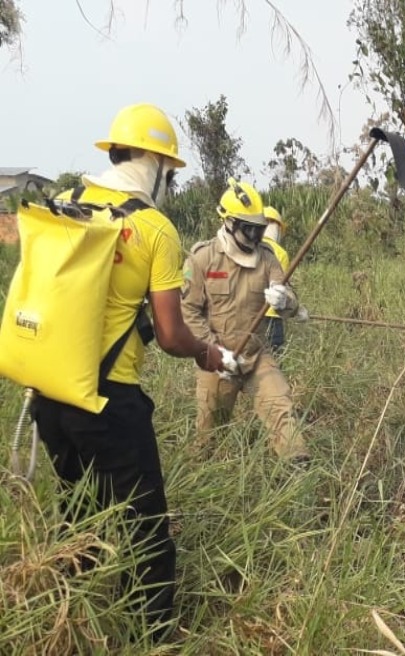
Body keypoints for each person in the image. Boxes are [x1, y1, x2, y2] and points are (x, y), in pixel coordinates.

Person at [30, 103, 232, 643]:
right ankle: (152, 637)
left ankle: (59, 619)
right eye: (170, 170)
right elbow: (170, 334)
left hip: (47, 391)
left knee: (77, 514)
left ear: (115, 153)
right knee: (145, 529)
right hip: (109, 400)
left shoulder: (67, 202)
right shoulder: (152, 228)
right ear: (158, 166)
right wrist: (205, 352)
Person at [180, 180, 311, 465]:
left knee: (283, 413)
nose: (254, 236)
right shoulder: (203, 258)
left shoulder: (267, 258)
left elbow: (291, 302)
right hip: (216, 360)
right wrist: (215, 352)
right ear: (228, 223)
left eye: (259, 229)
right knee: (208, 437)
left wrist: (285, 300)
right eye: (247, 228)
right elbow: (189, 312)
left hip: (257, 356)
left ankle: (299, 473)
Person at [260, 206, 308, 353]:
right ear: (278, 228)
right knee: (273, 366)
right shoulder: (279, 252)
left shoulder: (247, 247)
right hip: (272, 318)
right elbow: (281, 288)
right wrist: (297, 310)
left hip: (247, 318)